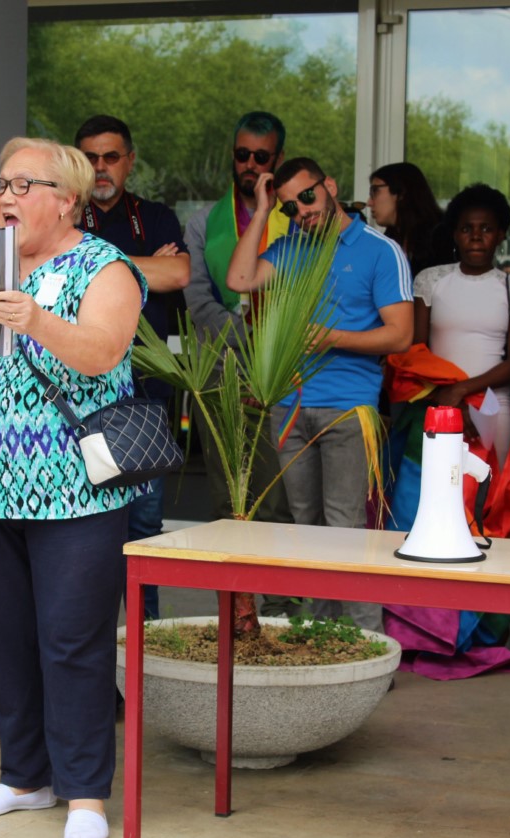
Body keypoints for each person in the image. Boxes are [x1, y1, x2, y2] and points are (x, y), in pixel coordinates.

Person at [0, 137, 145, 838]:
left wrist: (31, 318)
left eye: (23, 185)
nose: (5, 197)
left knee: (70, 643)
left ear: (66, 198)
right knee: (7, 641)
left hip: (75, 492)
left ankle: (84, 795)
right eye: (0, 184)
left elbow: (102, 352)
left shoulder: (105, 266)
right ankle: (22, 779)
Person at [226, 156, 413, 633]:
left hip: (348, 407)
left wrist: (333, 337)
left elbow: (400, 336)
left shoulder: (379, 249)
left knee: (345, 526)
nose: (302, 210)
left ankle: (364, 640)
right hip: (290, 405)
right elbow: (239, 281)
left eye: (307, 196)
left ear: (329, 185)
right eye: (291, 206)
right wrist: (264, 211)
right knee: (306, 526)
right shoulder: (289, 246)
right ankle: (319, 634)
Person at [74, 114, 187, 621]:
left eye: (111, 156)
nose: (101, 168)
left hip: (144, 399)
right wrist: (144, 264)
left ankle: (148, 655)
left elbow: (179, 271)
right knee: (84, 537)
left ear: (129, 161)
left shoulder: (156, 215)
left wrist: (98, 264)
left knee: (143, 533)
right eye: (90, 158)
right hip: (79, 400)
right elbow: (158, 272)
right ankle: (94, 658)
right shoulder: (64, 216)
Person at [181, 112, 293, 529]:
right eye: (243, 154)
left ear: (278, 159)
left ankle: (281, 598)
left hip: (281, 371)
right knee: (226, 499)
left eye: (261, 156)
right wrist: (247, 338)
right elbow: (197, 297)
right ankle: (232, 598)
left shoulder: (296, 221)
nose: (251, 164)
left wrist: (268, 347)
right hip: (218, 370)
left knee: (276, 501)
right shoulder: (203, 222)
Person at [413, 184, 510, 467]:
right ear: (455, 234)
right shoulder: (430, 280)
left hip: (493, 408)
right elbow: (416, 351)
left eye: (486, 229)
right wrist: (448, 397)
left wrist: (461, 391)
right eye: (467, 229)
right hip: (438, 404)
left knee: (491, 499)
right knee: (435, 496)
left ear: (501, 234)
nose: (476, 237)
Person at [367, 161, 452, 277]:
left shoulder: (441, 238)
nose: (369, 202)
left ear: (401, 192)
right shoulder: (389, 240)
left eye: (374, 191)